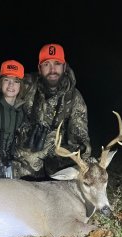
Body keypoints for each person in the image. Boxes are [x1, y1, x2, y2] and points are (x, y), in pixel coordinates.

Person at [14, 43, 92, 179]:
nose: (52, 70)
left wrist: (82, 157)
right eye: (46, 64)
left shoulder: (74, 97)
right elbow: (2, 102)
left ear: (64, 67)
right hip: (27, 149)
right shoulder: (26, 86)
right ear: (39, 68)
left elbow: (80, 135)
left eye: (57, 63)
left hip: (58, 152)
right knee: (26, 166)